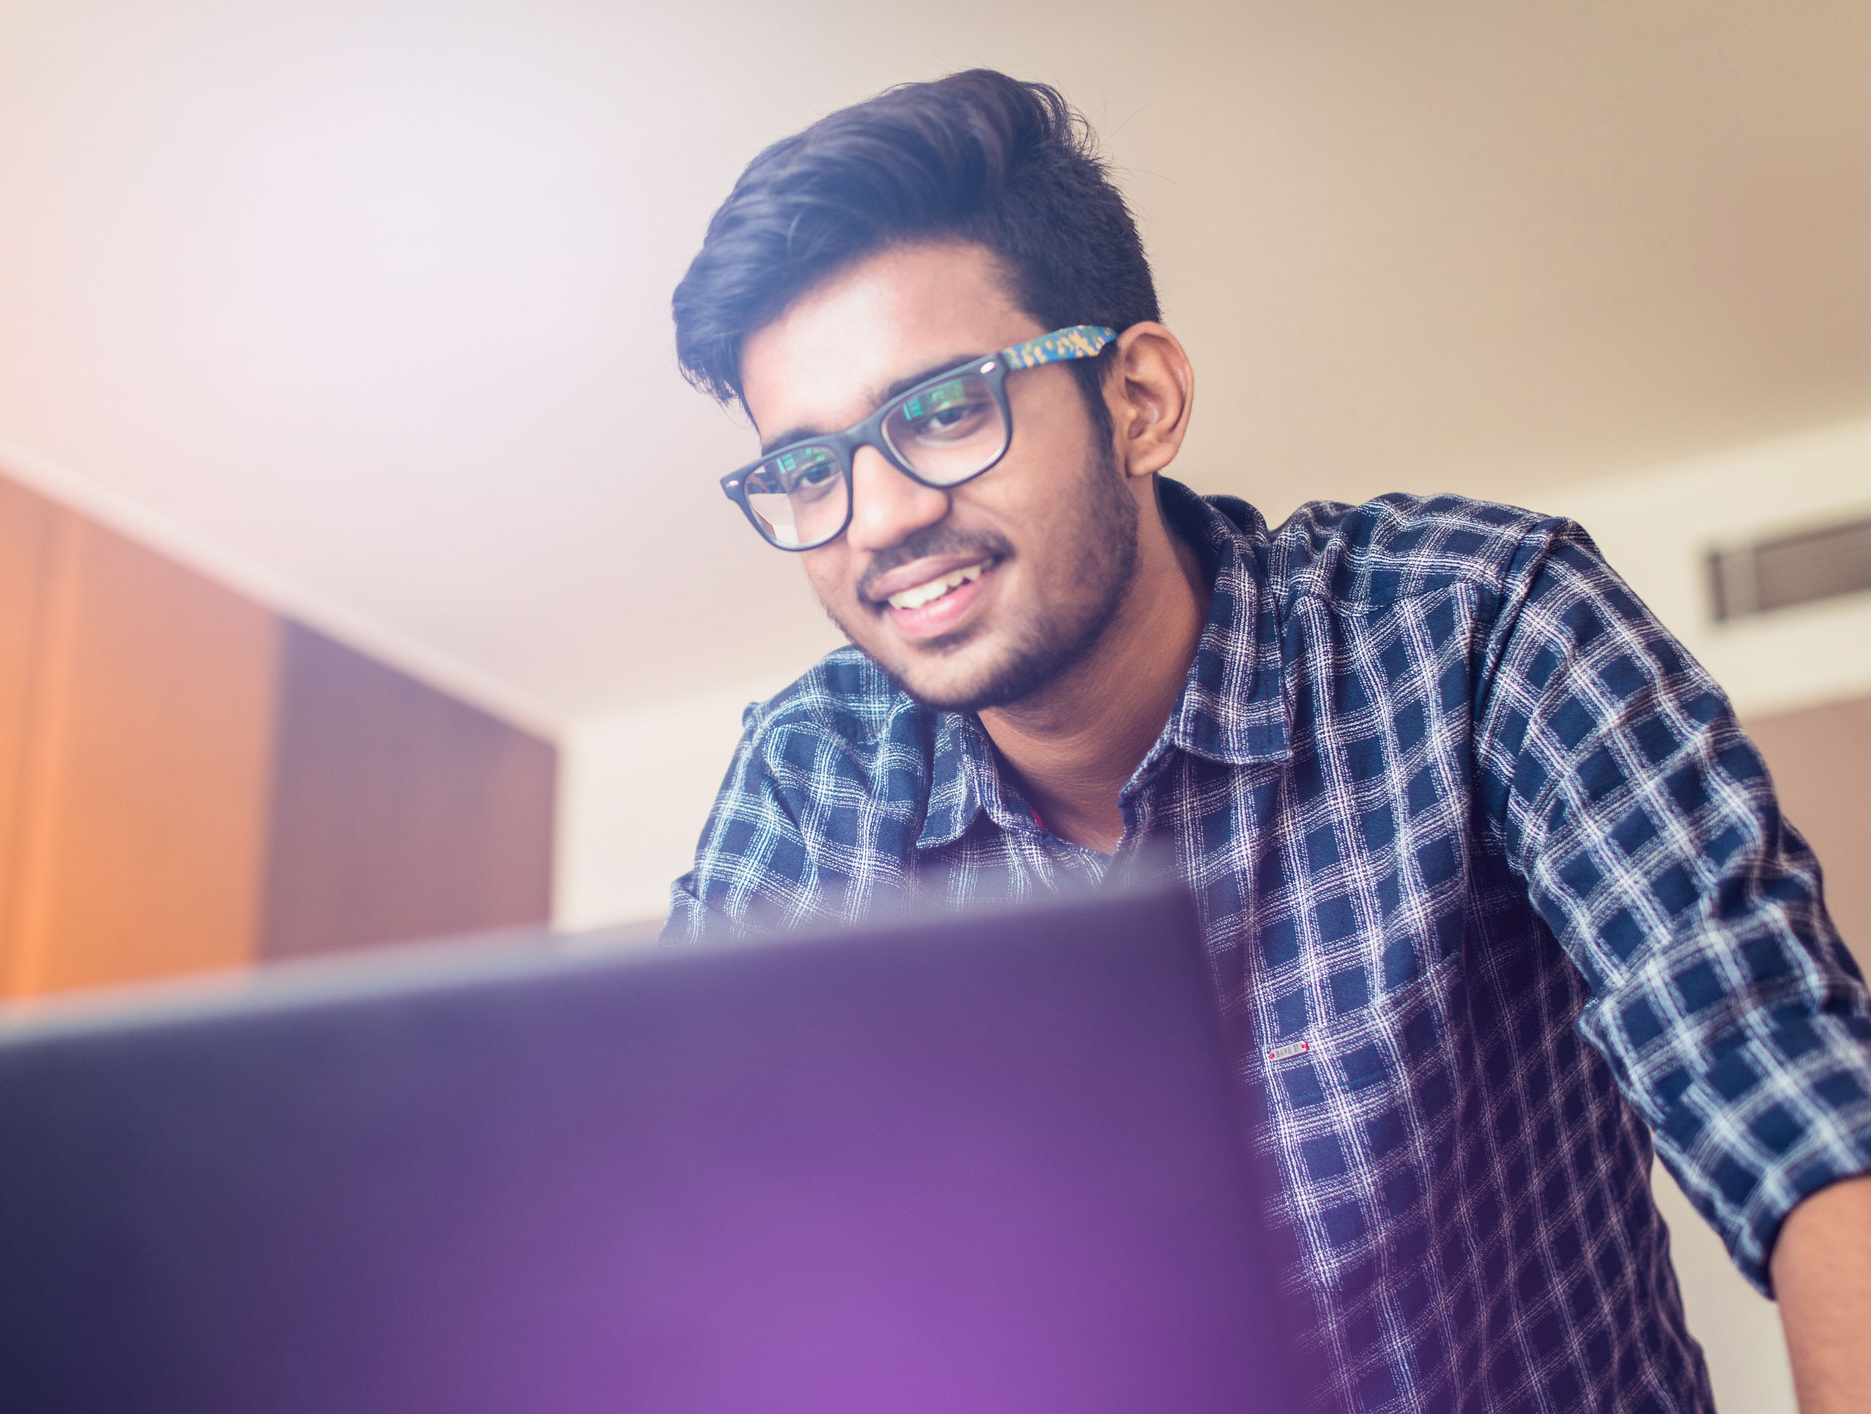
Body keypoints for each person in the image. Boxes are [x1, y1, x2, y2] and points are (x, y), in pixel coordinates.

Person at [659, 69, 1871, 1412]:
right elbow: (699, 1282)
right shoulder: (809, 784)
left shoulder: (1474, 624)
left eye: (942, 412)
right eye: (807, 468)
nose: (875, 518)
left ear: (1138, 399)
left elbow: (1807, 1118)